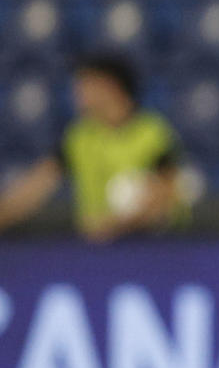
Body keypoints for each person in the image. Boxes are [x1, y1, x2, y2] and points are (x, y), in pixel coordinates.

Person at [0, 53, 188, 241]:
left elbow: (168, 189)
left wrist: (118, 224)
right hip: (97, 252)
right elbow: (35, 186)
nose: (77, 92)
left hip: (153, 248)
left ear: (110, 86)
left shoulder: (152, 132)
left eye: (85, 84)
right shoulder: (79, 136)